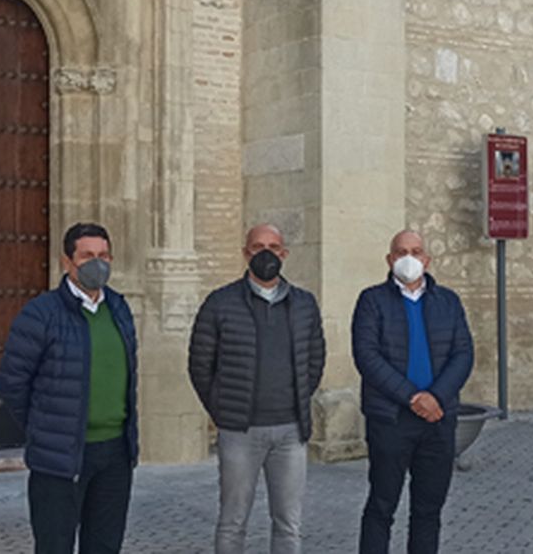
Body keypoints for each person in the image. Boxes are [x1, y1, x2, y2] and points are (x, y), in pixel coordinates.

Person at [0, 222, 139, 554]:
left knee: (105, 545)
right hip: (61, 458)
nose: (97, 263)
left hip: (115, 454)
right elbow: (12, 382)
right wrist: (46, 428)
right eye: (87, 255)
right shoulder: (41, 313)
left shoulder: (119, 308)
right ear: (67, 262)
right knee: (55, 546)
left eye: (104, 255)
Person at [187, 224, 326, 554]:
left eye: (274, 247)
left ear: (284, 253)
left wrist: (296, 400)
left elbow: (315, 360)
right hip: (239, 432)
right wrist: (223, 408)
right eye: (258, 246)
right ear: (246, 253)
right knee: (233, 522)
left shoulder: (304, 304)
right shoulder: (220, 303)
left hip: (291, 432)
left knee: (288, 524)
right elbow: (200, 365)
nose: (267, 253)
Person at [351, 230, 474, 554]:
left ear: (427, 259)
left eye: (416, 251)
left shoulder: (448, 301)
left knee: (428, 511)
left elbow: (463, 353)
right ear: (390, 260)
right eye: (401, 252)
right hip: (390, 420)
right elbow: (367, 356)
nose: (409, 258)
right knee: (381, 506)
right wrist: (413, 397)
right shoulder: (372, 300)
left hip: (437, 420)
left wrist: (435, 397)